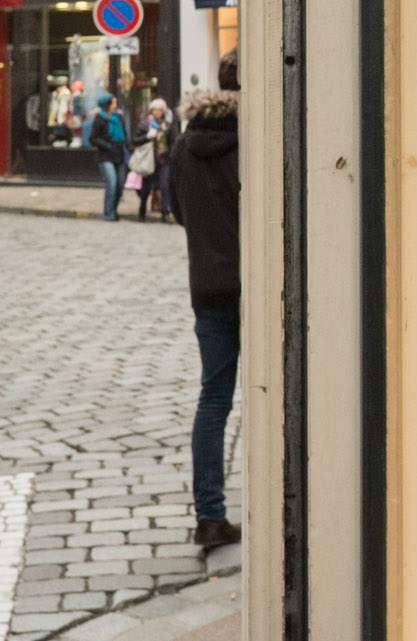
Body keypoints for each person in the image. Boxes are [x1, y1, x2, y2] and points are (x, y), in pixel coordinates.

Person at [167, 49, 243, 550]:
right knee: (279, 395)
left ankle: (210, 517)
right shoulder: (255, 140)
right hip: (257, 286)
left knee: (213, 399)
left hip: (208, 287)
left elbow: (177, 211)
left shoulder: (182, 146)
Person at [130, 97, 176, 222]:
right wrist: (147, 136)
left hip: (163, 160)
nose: (157, 113)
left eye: (159, 110)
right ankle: (142, 209)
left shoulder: (168, 125)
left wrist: (171, 156)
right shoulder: (145, 124)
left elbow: (173, 142)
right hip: (149, 161)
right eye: (155, 110)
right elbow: (134, 140)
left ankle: (165, 211)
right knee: (146, 188)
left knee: (164, 185)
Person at [86, 94, 128, 221]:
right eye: (113, 103)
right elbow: (92, 139)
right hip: (105, 156)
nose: (116, 105)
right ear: (107, 105)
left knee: (120, 185)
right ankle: (108, 213)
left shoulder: (119, 118)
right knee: (112, 183)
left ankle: (114, 210)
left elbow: (125, 135)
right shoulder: (99, 119)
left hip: (119, 154)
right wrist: (106, 144)